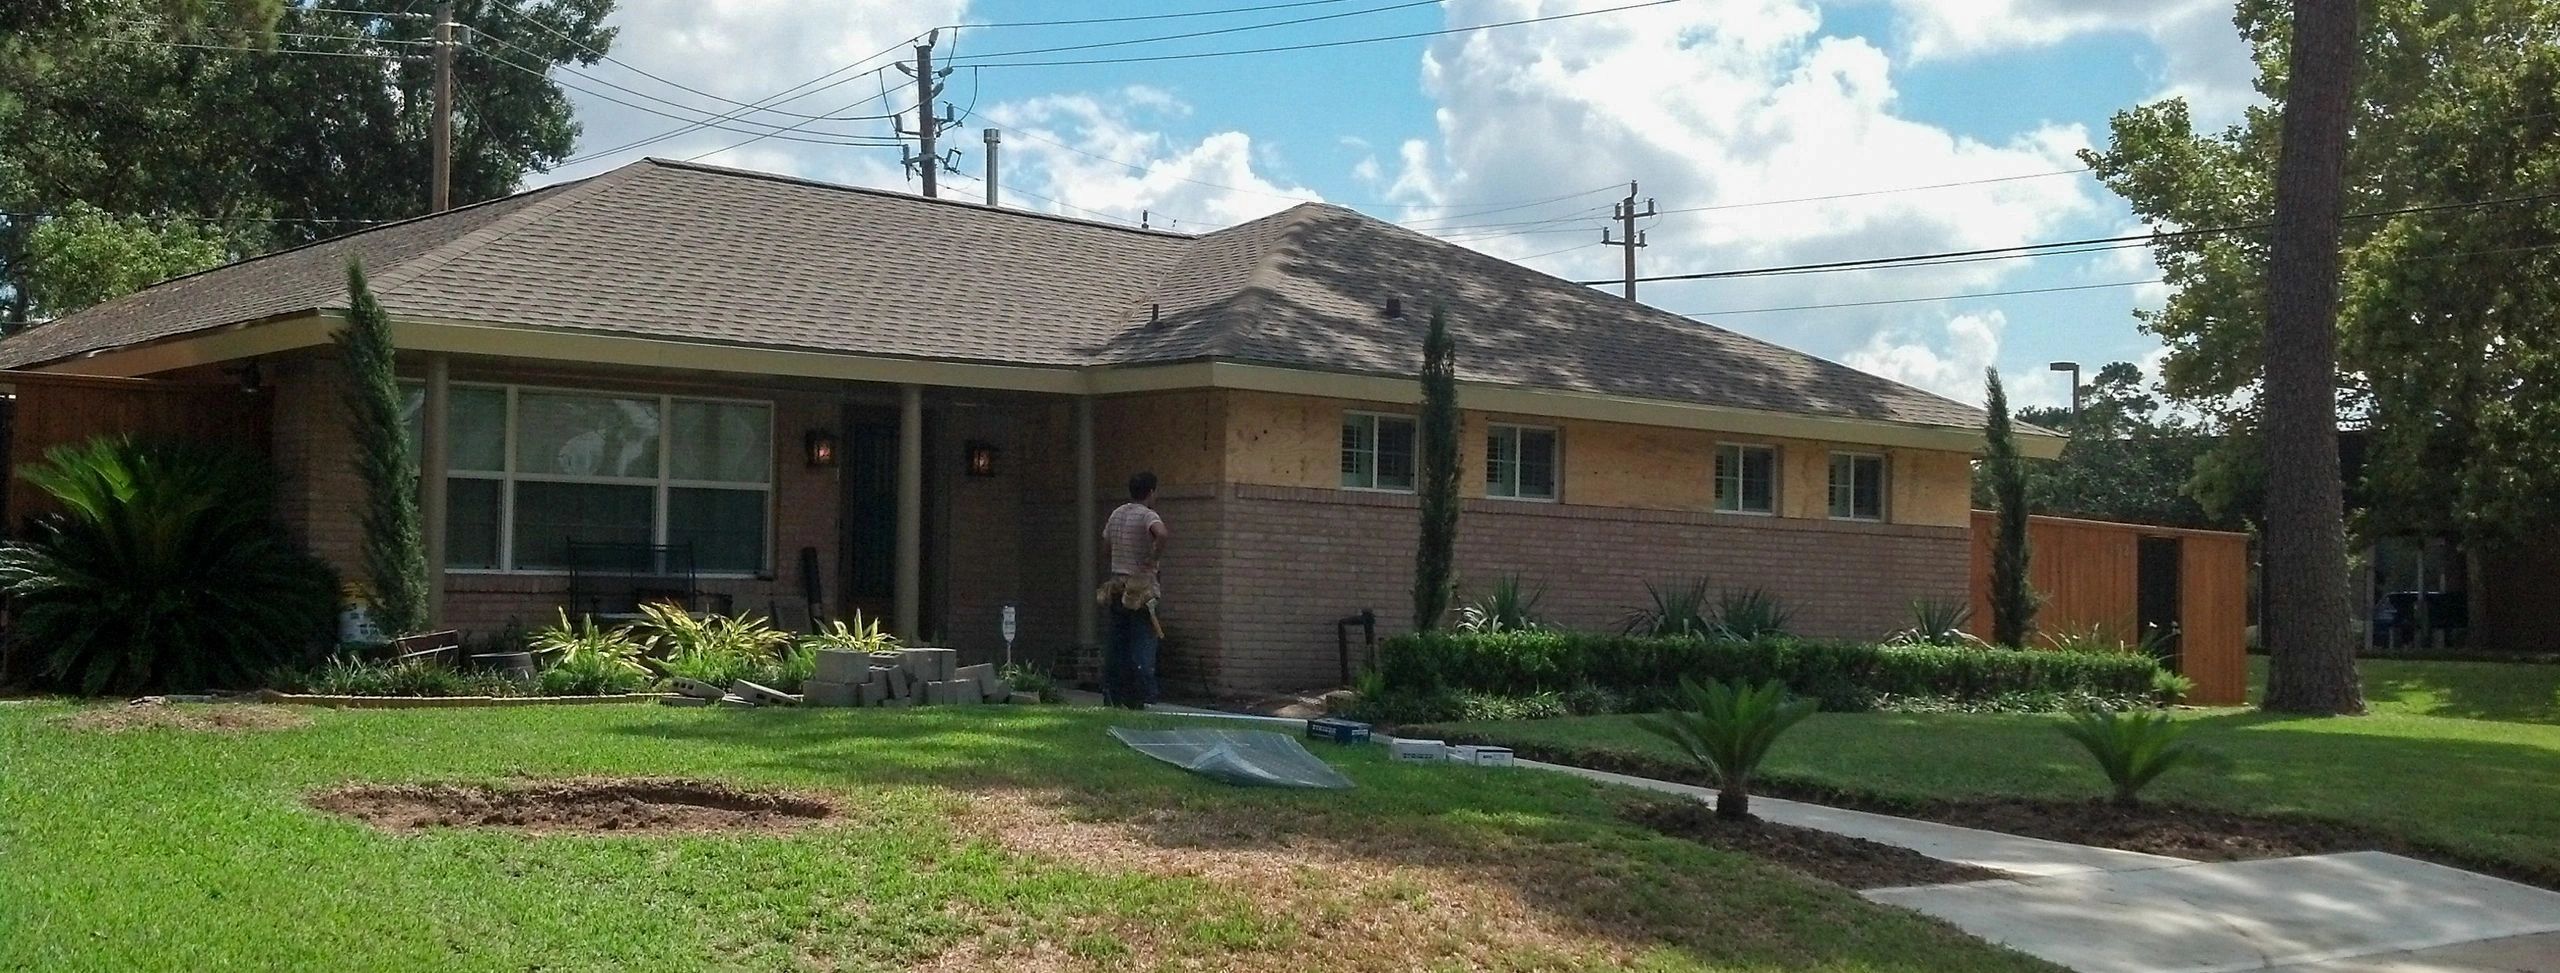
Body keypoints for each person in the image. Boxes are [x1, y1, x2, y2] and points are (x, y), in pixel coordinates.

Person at [1100, 471, 1168, 709]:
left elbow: (1106, 547)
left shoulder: (1117, 514)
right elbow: (1162, 534)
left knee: (1117, 644)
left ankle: (1113, 695)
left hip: (1118, 588)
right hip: (1141, 591)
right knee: (1143, 643)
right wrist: (1153, 557)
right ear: (1151, 492)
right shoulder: (1147, 515)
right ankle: (1143, 696)